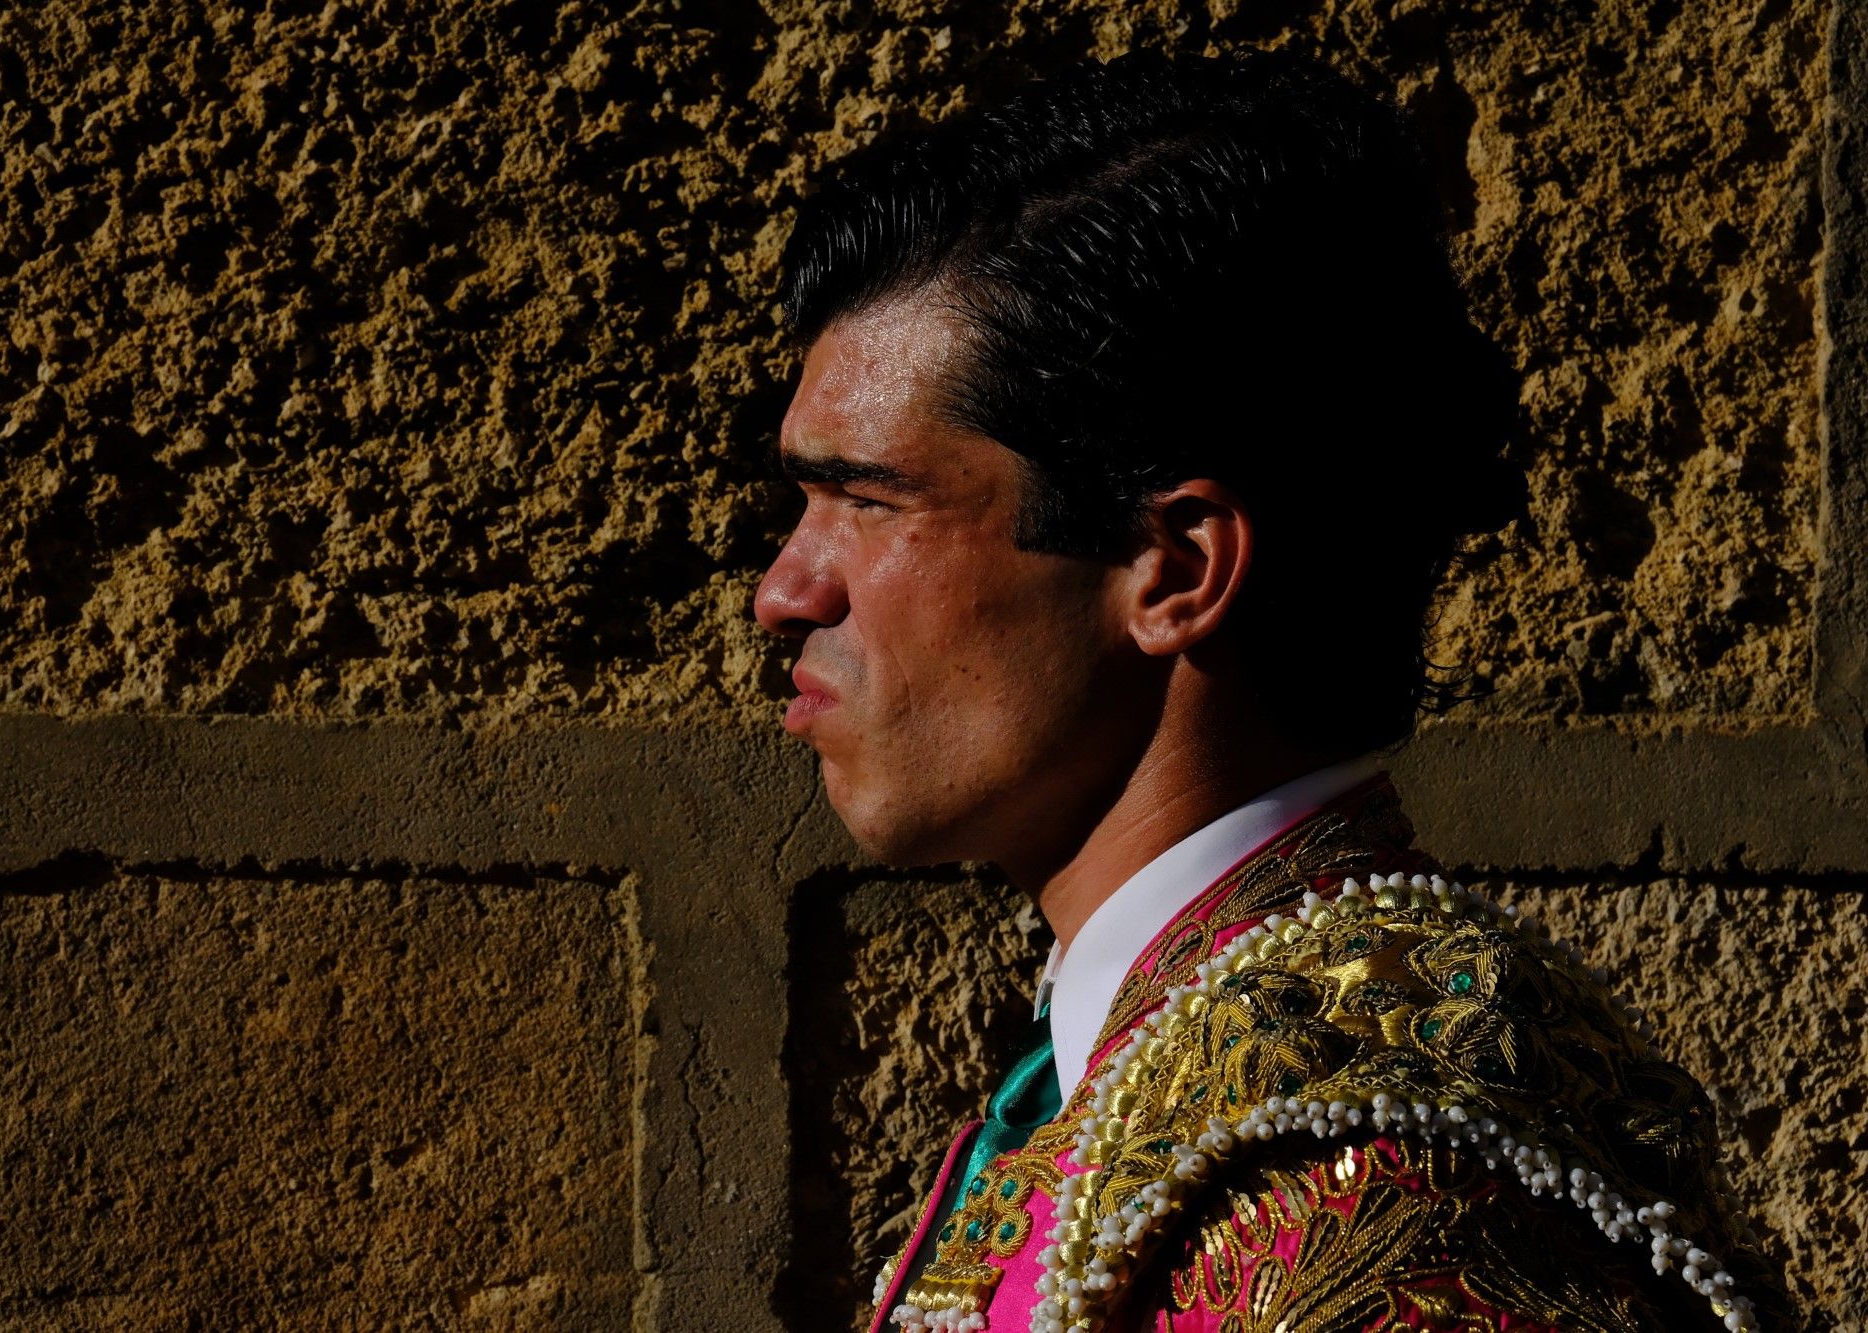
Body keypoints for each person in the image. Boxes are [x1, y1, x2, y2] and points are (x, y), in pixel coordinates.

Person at [753, 48, 1793, 1333]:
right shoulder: (1172, 1069)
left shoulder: (1373, 1189)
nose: (784, 590)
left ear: (1173, 568)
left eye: (865, 500)